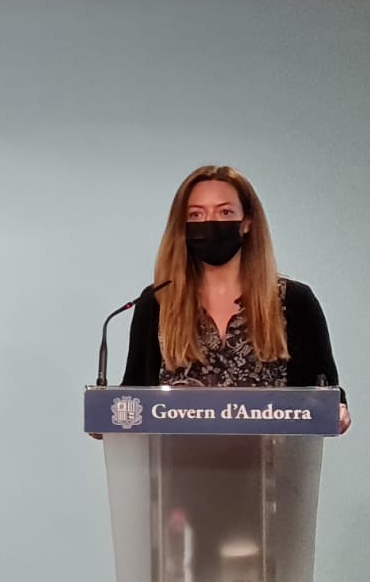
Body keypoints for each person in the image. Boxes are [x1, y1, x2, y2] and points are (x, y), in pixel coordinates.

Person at [121, 165, 349, 433]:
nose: (211, 223)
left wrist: (338, 411)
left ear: (247, 222)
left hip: (272, 468)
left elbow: (325, 392)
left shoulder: (294, 302)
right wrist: (108, 417)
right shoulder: (157, 302)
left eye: (225, 212)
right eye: (196, 214)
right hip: (177, 469)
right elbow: (132, 395)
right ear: (183, 226)